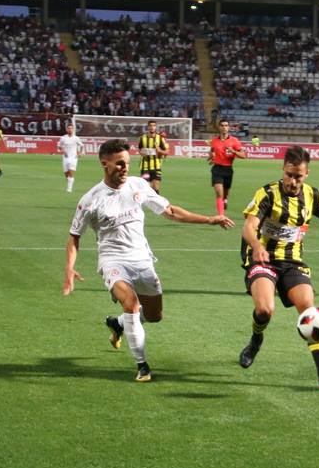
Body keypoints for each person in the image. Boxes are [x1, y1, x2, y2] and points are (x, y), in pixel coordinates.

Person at [63, 138, 234, 383]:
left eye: (127, 163)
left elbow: (171, 212)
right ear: (105, 164)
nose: (125, 168)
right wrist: (69, 268)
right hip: (112, 261)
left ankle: (118, 324)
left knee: (154, 316)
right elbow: (74, 236)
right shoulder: (91, 200)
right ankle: (142, 366)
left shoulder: (137, 185)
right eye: (120, 164)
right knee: (131, 303)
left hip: (142, 260)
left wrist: (209, 219)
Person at [238, 145, 319, 389]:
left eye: (298, 176)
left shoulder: (313, 195)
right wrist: (257, 247)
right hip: (263, 259)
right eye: (289, 175)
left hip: (293, 262)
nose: (292, 181)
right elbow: (249, 226)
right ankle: (256, 339)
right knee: (264, 310)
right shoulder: (267, 194)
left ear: (306, 174)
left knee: (310, 312)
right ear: (283, 169)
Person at [207, 118, 244, 217]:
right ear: (219, 127)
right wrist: (211, 157)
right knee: (219, 193)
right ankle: (221, 215)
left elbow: (243, 155)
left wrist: (234, 152)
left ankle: (225, 199)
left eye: (226, 125)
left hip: (228, 170)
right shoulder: (214, 141)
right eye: (222, 125)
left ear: (229, 128)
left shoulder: (234, 141)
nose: (224, 127)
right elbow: (212, 150)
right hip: (217, 169)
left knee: (225, 193)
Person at [138, 119, 167, 187]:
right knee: (145, 187)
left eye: (154, 125)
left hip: (156, 167)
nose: (152, 127)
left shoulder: (159, 138)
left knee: (156, 187)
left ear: (156, 127)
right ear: (148, 127)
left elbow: (166, 152)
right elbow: (139, 149)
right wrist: (141, 152)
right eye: (150, 125)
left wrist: (160, 151)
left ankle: (156, 197)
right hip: (145, 167)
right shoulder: (142, 138)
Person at [57, 120, 82, 193]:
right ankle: (69, 184)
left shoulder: (76, 138)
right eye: (68, 128)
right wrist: (63, 151)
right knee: (66, 174)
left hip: (74, 158)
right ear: (66, 129)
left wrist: (79, 153)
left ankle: (69, 188)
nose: (70, 129)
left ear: (73, 129)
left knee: (71, 172)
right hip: (65, 158)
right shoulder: (63, 138)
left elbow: (81, 145)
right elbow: (59, 146)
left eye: (71, 128)